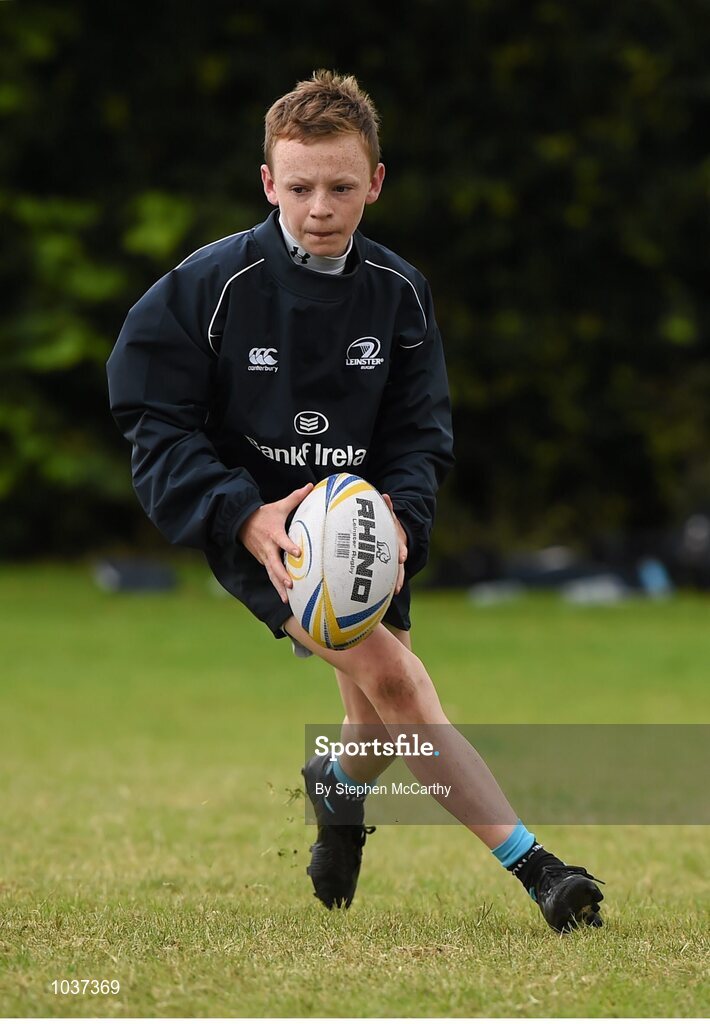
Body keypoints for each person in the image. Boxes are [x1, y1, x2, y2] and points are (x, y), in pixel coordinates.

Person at [107, 70, 604, 933]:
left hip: (369, 523)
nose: (319, 207)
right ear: (269, 182)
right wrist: (240, 514)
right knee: (398, 682)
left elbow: (420, 431)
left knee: (376, 720)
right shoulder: (211, 287)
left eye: (342, 186)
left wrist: (404, 519)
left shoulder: (400, 292)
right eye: (298, 187)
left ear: (375, 182)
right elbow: (152, 418)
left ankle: (336, 791)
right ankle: (541, 872)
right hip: (266, 523)